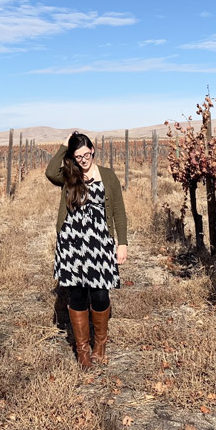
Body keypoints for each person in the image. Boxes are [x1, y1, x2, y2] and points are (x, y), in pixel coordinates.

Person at [45, 131, 128, 369]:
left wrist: (121, 243)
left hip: (100, 242)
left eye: (86, 154)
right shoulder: (70, 175)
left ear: (93, 150)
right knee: (78, 294)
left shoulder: (108, 176)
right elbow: (50, 172)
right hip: (72, 243)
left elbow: (119, 213)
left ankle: (99, 344)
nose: (83, 159)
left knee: (100, 294)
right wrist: (63, 146)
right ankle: (83, 351)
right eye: (77, 156)